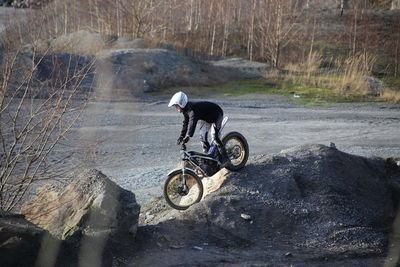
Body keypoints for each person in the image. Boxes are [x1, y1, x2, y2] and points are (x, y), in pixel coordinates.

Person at [168, 91, 230, 168]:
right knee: (202, 137)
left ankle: (226, 159)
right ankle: (210, 159)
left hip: (217, 114)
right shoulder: (186, 110)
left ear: (181, 103)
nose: (176, 108)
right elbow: (186, 123)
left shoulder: (192, 110)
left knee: (215, 136)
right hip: (206, 118)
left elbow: (192, 123)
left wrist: (188, 136)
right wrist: (181, 136)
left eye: (176, 106)